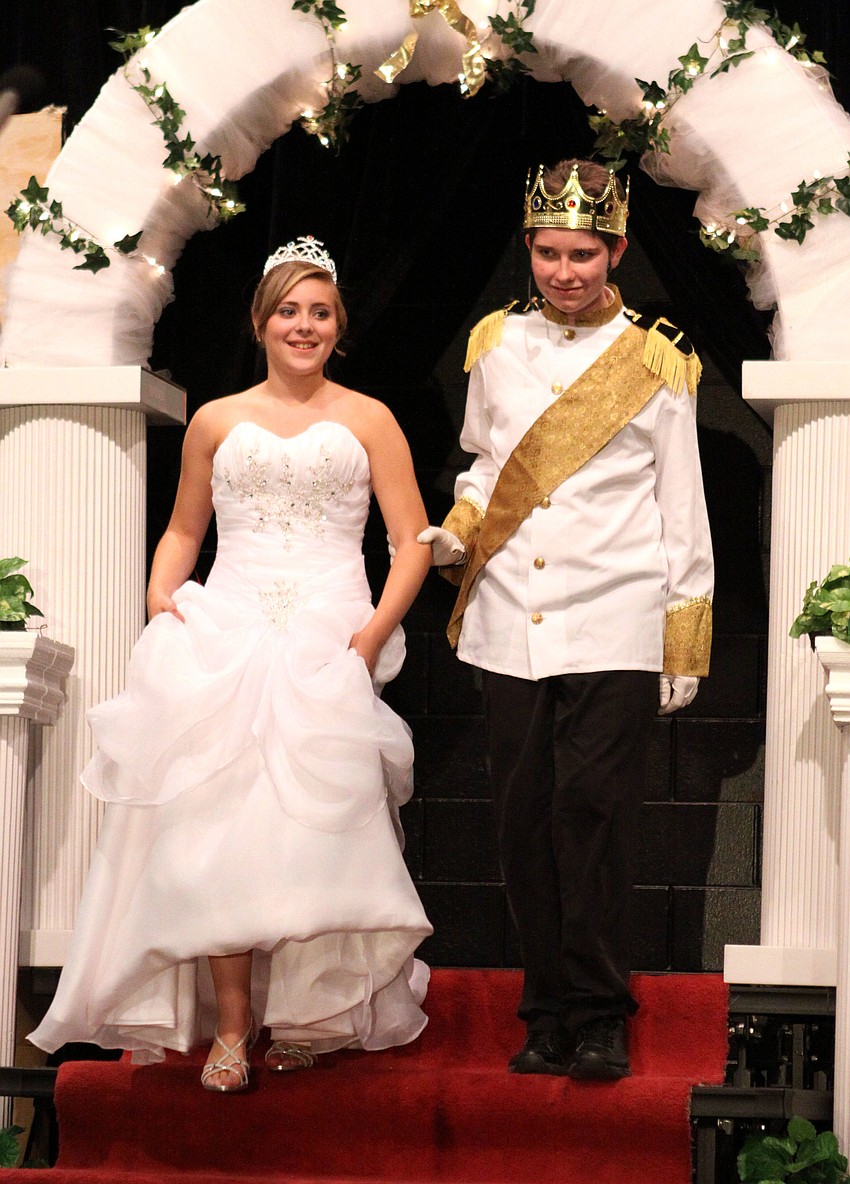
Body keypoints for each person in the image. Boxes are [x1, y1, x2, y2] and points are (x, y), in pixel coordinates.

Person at [30, 236, 433, 1092]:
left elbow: (410, 544)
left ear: (340, 324)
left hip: (327, 630)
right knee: (219, 830)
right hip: (231, 625)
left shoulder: (369, 418)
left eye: (320, 311)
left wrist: (368, 638)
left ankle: (314, 1015)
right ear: (260, 321)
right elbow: (184, 529)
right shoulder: (216, 418)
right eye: (289, 310)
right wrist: (161, 600)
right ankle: (231, 1030)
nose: (305, 325)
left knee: (313, 829)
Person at [420, 161, 713, 1081]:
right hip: (512, 613)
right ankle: (542, 1010)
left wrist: (685, 632)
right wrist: (459, 529)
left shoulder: (655, 359)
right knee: (521, 823)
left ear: (617, 250)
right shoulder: (495, 345)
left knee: (591, 819)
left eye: (583, 253)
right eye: (548, 252)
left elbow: (682, 502)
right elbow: (483, 464)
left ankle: (598, 1013)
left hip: (615, 615)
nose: (564, 271)